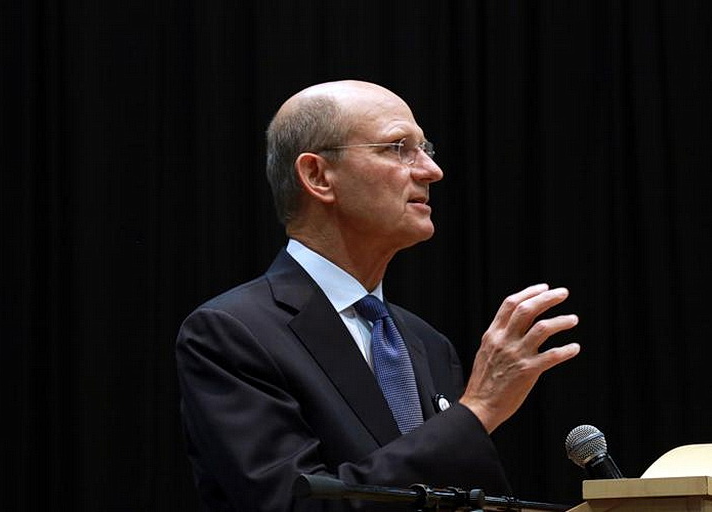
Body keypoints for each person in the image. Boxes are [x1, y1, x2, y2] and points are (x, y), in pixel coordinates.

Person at [175, 80, 581, 512]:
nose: (431, 171)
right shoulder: (232, 333)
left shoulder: (428, 344)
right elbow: (294, 505)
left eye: (426, 148)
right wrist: (479, 408)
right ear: (317, 176)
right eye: (398, 148)